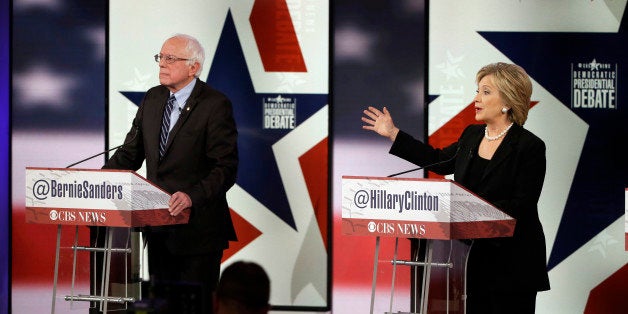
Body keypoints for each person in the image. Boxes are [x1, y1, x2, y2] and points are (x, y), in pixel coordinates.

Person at [362, 62, 550, 314]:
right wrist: (394, 133)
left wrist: (466, 212)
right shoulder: (471, 136)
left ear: (507, 99)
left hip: (512, 264)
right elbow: (438, 160)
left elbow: (521, 205)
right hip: (467, 261)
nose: (476, 99)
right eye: (477, 91)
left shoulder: (530, 147)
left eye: (485, 92)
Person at [103, 33, 239, 313]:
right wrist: (100, 181)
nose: (162, 64)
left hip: (198, 232)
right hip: (159, 228)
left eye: (171, 58)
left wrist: (191, 196)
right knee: (161, 309)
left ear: (194, 67)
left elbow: (225, 168)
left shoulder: (215, 105)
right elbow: (131, 152)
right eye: (160, 57)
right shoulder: (153, 98)